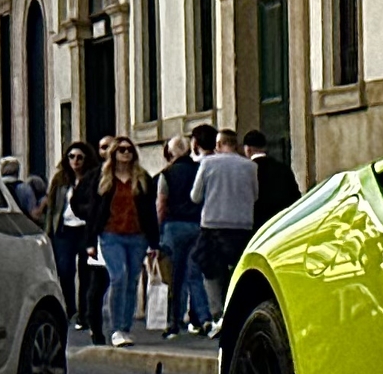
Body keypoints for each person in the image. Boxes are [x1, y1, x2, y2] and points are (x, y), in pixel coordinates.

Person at [92, 137, 161, 347]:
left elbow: (150, 212)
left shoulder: (142, 179)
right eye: (121, 150)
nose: (126, 153)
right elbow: (94, 211)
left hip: (137, 236)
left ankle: (125, 327)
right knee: (118, 277)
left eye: (129, 150)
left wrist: (154, 243)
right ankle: (116, 329)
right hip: (111, 235)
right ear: (113, 154)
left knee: (132, 280)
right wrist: (89, 241)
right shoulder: (104, 179)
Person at [191, 129, 258, 325]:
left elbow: (195, 196)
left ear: (218, 145)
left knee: (210, 269)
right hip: (242, 224)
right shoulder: (250, 166)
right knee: (237, 268)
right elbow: (255, 195)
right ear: (235, 144)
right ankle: (237, 309)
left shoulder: (208, 163)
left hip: (212, 224)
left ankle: (217, 313)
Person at [156, 125, 213, 337]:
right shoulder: (200, 170)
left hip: (174, 226)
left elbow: (161, 205)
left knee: (175, 277)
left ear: (170, 153)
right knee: (195, 275)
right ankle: (205, 318)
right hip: (198, 225)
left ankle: (174, 322)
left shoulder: (167, 174)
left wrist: (157, 232)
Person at [44, 141, 102, 339]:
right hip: (64, 230)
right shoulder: (60, 180)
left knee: (87, 272)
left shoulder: (92, 179)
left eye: (79, 157)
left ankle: (84, 314)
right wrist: (48, 232)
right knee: (65, 269)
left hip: (85, 229)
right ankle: (71, 308)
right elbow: (52, 208)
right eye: (71, 157)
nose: (75, 161)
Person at [244, 130, 302, 228]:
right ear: (265, 147)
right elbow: (295, 196)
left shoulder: (247, 171)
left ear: (248, 149)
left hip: (257, 224)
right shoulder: (282, 168)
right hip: (282, 222)